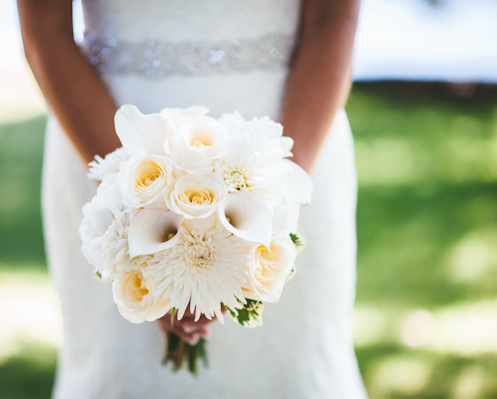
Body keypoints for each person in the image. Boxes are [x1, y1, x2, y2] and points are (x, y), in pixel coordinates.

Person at [18, 0, 367, 397]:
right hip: (102, 141)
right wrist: (129, 204)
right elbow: (44, 27)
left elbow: (333, 18)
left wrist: (271, 194)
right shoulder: (117, 181)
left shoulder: (283, 175)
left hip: (292, 141)